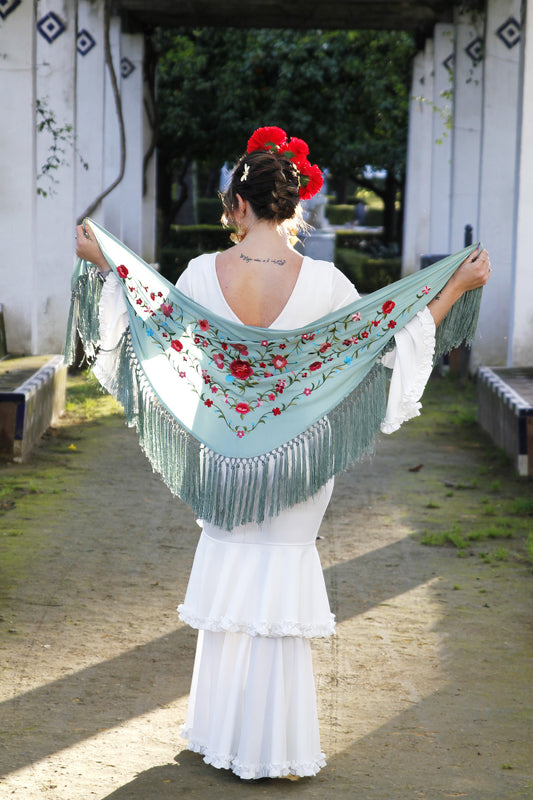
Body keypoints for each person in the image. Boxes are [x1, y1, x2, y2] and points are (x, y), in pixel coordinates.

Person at [74, 127, 491, 781]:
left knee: (234, 579)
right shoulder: (324, 282)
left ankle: (218, 735)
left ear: (236, 205)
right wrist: (454, 289)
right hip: (296, 464)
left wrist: (105, 263)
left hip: (220, 461)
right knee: (279, 581)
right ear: (292, 205)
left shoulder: (196, 275)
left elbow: (148, 320)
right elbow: (383, 348)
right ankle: (275, 751)